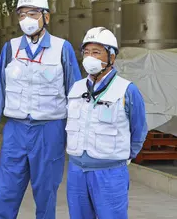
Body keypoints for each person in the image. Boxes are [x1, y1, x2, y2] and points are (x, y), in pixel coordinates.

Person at [0, 0, 81, 219]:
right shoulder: (11, 48)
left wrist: (76, 132)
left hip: (50, 130)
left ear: (46, 17)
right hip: (15, 130)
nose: (26, 19)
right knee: (7, 191)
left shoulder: (61, 49)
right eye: (22, 14)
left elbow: (75, 93)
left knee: (46, 194)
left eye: (32, 13)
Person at [65, 27, 148, 219]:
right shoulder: (76, 88)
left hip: (110, 173)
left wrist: (126, 156)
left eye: (96, 52)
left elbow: (139, 129)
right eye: (86, 52)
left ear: (111, 57)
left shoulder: (126, 90)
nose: (89, 57)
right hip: (77, 172)